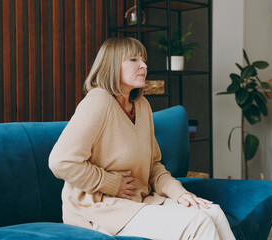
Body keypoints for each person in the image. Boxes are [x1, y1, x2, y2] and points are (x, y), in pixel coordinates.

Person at [49, 37, 235, 240]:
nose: (144, 65)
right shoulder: (98, 102)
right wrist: (111, 183)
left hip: (139, 201)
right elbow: (61, 161)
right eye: (133, 60)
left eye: (144, 60)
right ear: (111, 65)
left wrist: (179, 193)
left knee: (212, 212)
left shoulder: (142, 105)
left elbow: (153, 165)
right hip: (99, 209)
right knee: (197, 223)